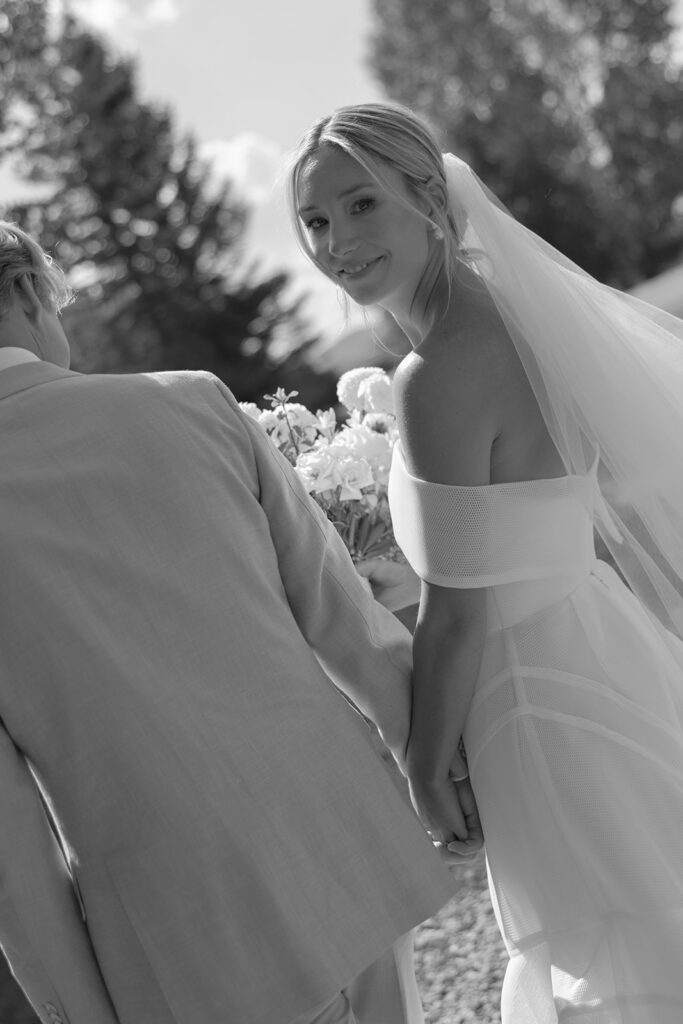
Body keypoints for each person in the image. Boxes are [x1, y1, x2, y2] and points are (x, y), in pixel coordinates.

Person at [0, 220, 469, 1024]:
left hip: (182, 929)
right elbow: (346, 626)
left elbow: (9, 843)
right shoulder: (195, 402)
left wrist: (76, 1009)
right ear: (26, 291)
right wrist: (440, 779)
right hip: (342, 838)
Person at [287, 101, 683, 1022]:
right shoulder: (512, 319)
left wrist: (424, 768)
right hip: (601, 641)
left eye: (360, 205)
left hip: (534, 691)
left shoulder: (439, 371)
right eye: (313, 220)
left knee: (616, 944)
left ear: (427, 198)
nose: (335, 241)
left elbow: (459, 611)